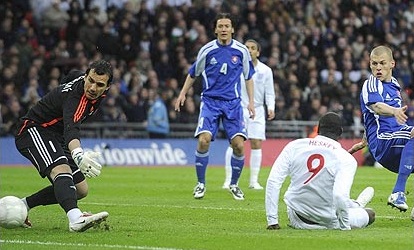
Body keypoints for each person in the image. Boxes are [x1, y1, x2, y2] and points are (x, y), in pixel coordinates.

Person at [14, 60, 112, 232]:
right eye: (90, 80)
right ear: (85, 76)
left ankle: (22, 206)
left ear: (107, 87)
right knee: (61, 170)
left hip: (55, 135)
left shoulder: (82, 82)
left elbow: (71, 74)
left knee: (80, 190)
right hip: (34, 129)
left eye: (99, 84)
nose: (92, 87)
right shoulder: (75, 99)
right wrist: (78, 154)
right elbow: (71, 129)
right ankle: (75, 219)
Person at [174, 13, 256, 200]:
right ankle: (201, 184)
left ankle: (234, 185)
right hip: (210, 102)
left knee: (239, 146)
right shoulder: (207, 50)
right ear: (215, 30)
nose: (224, 29)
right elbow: (193, 73)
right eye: (221, 26)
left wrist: (251, 102)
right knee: (203, 140)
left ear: (232, 29)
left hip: (233, 104)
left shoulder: (241, 51)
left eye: (227, 26)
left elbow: (248, 77)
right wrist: (182, 93)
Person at [266, 112, 375, 230]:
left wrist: (272, 221)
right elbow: (339, 195)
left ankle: (354, 205)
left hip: (297, 217)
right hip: (329, 220)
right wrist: (344, 226)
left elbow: (273, 180)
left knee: (337, 198)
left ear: (318, 129)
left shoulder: (294, 146)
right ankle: (357, 205)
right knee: (370, 214)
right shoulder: (346, 159)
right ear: (340, 132)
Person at [349, 45, 414, 217]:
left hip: (396, 141)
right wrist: (394, 111)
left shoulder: (394, 85)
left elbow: (367, 114)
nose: (378, 68)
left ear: (392, 64)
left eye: (382, 63)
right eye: (374, 64)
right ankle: (397, 193)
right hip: (383, 140)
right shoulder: (371, 84)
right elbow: (375, 107)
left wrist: (364, 140)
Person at [222, 39, 275, 190]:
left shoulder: (266, 71)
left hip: (258, 110)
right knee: (235, 143)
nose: (250, 50)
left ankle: (253, 181)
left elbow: (270, 92)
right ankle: (228, 180)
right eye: (247, 48)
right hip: (238, 108)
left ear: (258, 52)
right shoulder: (236, 67)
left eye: (253, 48)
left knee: (256, 143)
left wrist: (271, 107)